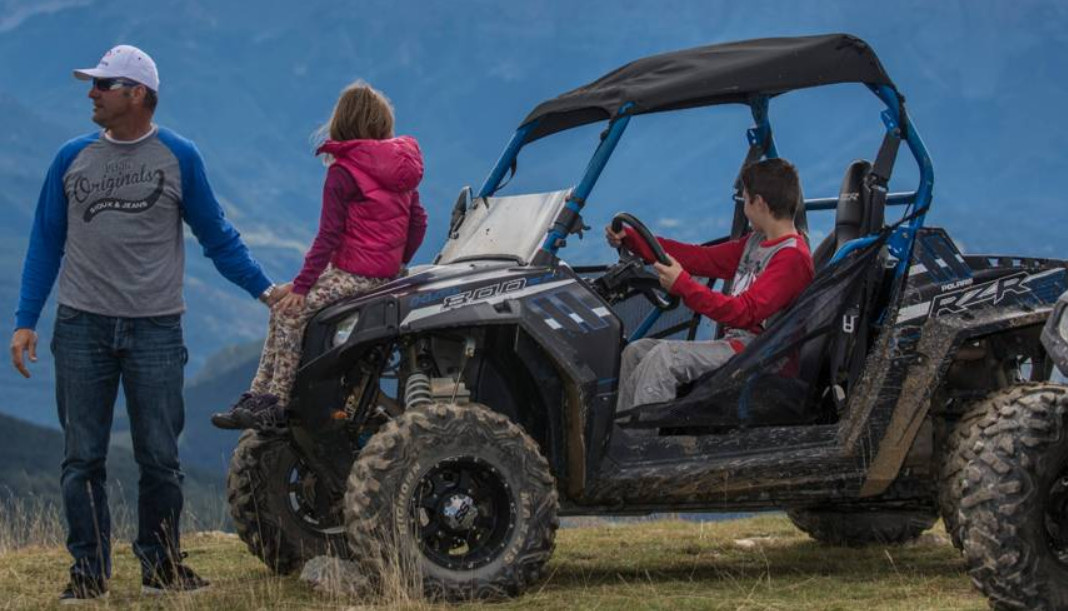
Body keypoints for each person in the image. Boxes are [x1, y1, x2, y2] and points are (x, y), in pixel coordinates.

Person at [9, 45, 281, 603]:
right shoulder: (70, 158)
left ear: (137, 94)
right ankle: (88, 574)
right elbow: (45, 242)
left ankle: (161, 568)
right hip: (81, 326)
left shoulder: (179, 157)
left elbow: (217, 236)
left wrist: (266, 290)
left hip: (156, 330)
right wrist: (25, 320)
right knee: (81, 457)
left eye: (103, 84)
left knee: (160, 456)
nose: (91, 92)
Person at [211, 80, 427, 430]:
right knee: (282, 304)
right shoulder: (402, 171)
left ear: (341, 123)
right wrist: (399, 261)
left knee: (291, 312)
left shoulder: (343, 172)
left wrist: (301, 286)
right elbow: (418, 221)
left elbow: (328, 236)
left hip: (353, 273)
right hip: (379, 274)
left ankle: (274, 402)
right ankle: (258, 395)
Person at [608, 158, 814, 412]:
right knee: (636, 351)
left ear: (759, 203)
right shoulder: (756, 242)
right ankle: (617, 436)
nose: (744, 208)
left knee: (663, 359)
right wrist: (635, 240)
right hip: (736, 346)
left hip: (761, 355)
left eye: (746, 199)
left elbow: (744, 312)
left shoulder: (792, 257)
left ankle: (640, 444)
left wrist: (684, 286)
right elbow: (702, 258)